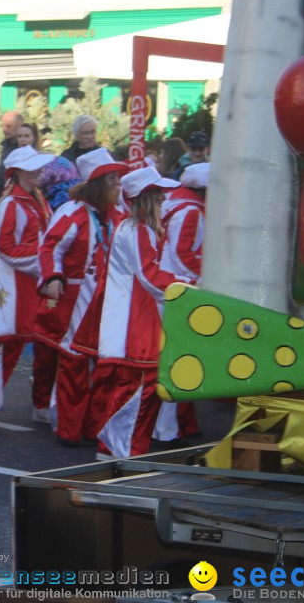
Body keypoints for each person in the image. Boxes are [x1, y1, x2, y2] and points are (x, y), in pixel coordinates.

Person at [95, 166, 195, 459]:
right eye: (160, 196)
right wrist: (189, 285)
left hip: (133, 321)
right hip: (133, 326)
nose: (164, 201)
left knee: (134, 391)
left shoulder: (133, 228)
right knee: (139, 390)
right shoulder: (137, 229)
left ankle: (118, 449)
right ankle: (124, 453)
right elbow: (151, 277)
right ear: (147, 198)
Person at [35, 148, 127, 445]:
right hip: (76, 299)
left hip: (107, 298)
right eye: (112, 180)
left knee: (104, 363)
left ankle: (93, 425)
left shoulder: (118, 217)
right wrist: (53, 277)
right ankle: (69, 428)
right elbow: (50, 248)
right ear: (97, 184)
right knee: (73, 361)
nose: (118, 185)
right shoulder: (72, 213)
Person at [0, 146, 55, 427]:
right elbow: (5, 248)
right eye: (33, 170)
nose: (39, 173)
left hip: (36, 284)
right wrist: (44, 260)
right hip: (17, 288)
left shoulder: (35, 197)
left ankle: (42, 403)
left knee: (46, 345)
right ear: (19, 174)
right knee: (10, 345)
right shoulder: (12, 204)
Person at [152, 161, 209, 443]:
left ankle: (168, 426)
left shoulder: (173, 203)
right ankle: (167, 429)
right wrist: (206, 274)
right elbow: (185, 254)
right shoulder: (192, 211)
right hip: (179, 291)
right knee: (176, 360)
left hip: (164, 288)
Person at [0, 111, 23, 189]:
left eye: (9, 126)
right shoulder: (4, 145)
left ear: (19, 126)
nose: (4, 130)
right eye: (3, 126)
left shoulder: (23, 149)